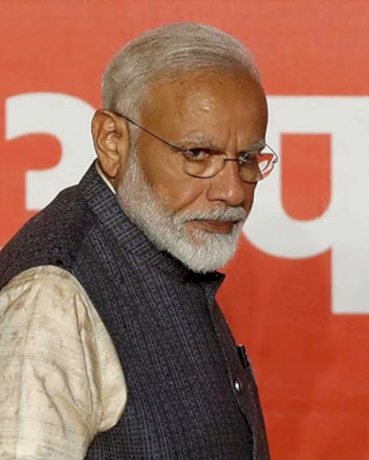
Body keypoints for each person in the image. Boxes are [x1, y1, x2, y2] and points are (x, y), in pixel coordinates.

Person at [0, 22, 276, 459]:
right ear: (112, 142)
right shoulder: (51, 294)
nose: (233, 191)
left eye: (247, 159)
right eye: (197, 154)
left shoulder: (168, 249)